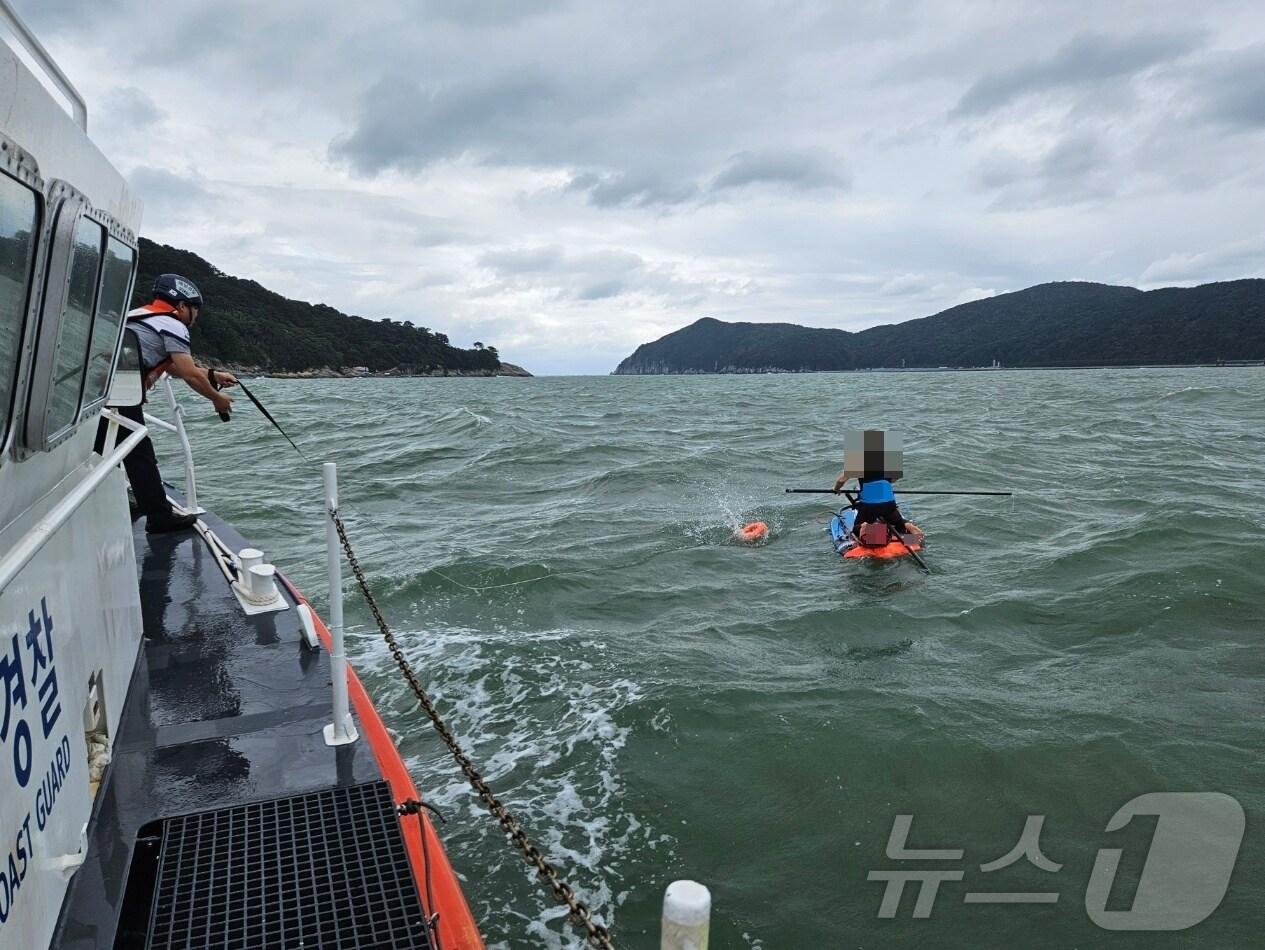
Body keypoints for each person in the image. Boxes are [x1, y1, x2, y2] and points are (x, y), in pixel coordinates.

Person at [96, 273, 237, 532]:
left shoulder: (138, 315)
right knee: (139, 452)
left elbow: (173, 367)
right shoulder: (173, 325)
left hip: (102, 390)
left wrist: (215, 376)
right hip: (120, 394)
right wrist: (217, 400)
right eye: (194, 309)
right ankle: (159, 517)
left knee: (110, 448)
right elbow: (189, 373)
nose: (195, 315)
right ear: (181, 306)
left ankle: (125, 499)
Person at [832, 472, 924, 544]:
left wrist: (836, 489)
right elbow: (895, 478)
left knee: (855, 529)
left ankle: (865, 527)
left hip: (869, 506)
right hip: (889, 504)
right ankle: (906, 526)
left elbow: (841, 480)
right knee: (897, 523)